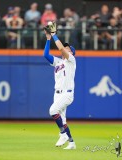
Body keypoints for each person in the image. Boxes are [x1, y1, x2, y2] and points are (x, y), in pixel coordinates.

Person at [43, 22, 76, 150]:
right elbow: (46, 55)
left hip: (67, 93)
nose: (65, 48)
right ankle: (72, 143)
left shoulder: (71, 60)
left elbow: (61, 49)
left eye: (68, 48)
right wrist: (48, 39)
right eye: (66, 47)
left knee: (52, 111)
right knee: (63, 121)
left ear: (71, 52)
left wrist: (54, 35)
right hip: (57, 93)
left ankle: (62, 134)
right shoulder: (58, 61)